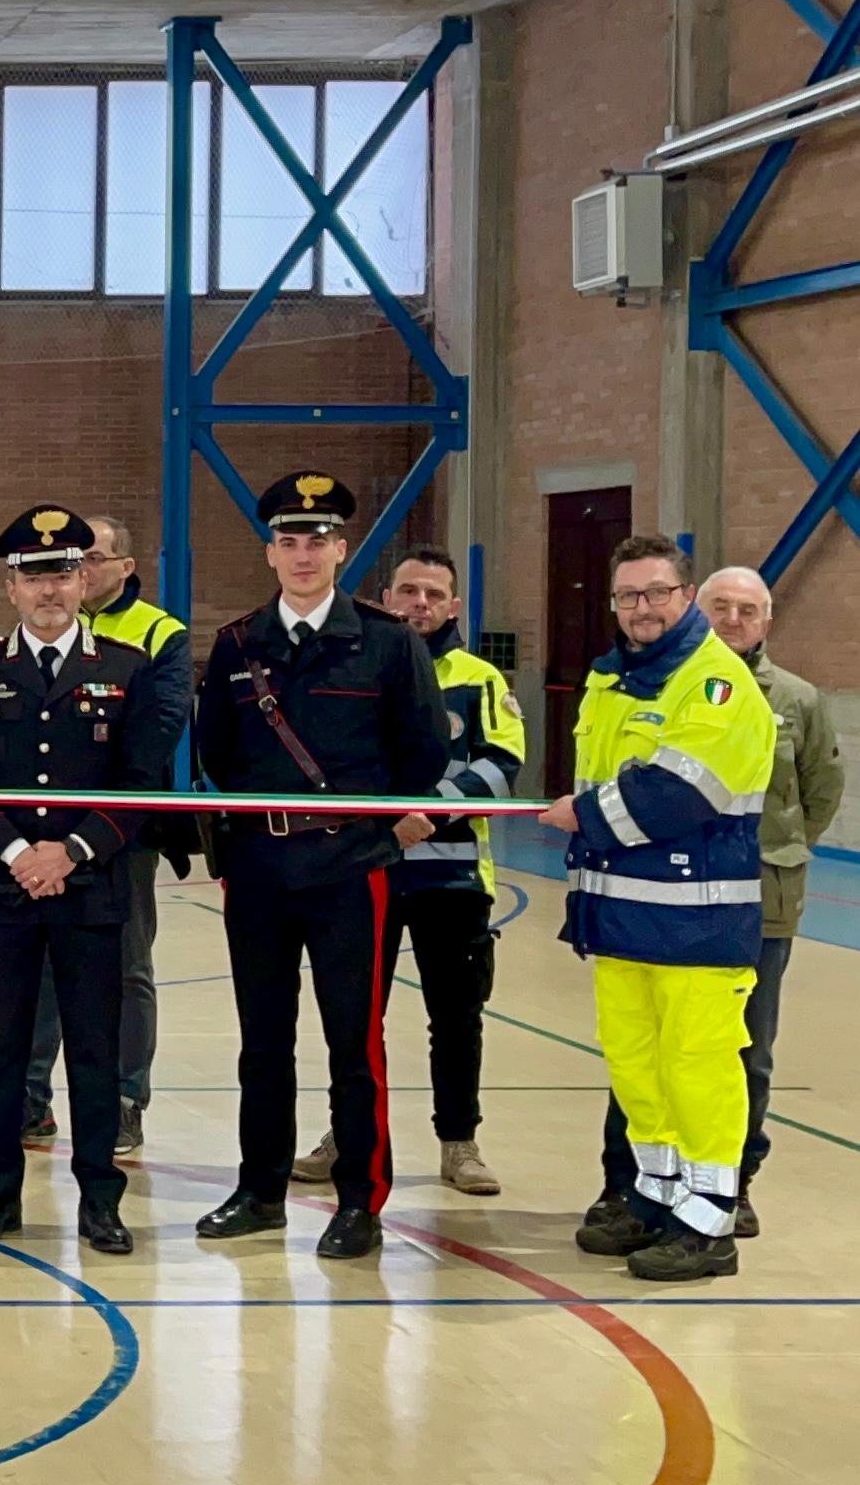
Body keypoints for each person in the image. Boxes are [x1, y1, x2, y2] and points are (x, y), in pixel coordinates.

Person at [191, 474, 444, 1262]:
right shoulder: (237, 644)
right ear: (270, 552)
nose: (303, 555)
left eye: (318, 540)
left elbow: (424, 749)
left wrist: (375, 830)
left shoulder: (388, 641)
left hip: (347, 870)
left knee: (352, 1041)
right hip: (261, 868)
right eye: (288, 541)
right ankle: (261, 1189)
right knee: (262, 1039)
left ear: (341, 549)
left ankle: (360, 1200)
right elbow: (217, 753)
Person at [541, 537, 776, 1282]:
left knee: (698, 1069)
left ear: (686, 594)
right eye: (628, 596)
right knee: (638, 1068)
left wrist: (585, 814)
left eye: (657, 592)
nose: (643, 608)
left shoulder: (716, 684)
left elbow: (682, 791)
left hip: (696, 924)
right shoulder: (610, 682)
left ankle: (709, 1222)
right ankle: (658, 1194)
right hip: (621, 920)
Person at [0, 509, 169, 1257]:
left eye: (64, 573)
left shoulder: (124, 667)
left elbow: (139, 785)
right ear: (11, 586)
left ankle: (101, 1199)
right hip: (3, 892)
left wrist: (68, 851)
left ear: (85, 581)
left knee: (95, 1053)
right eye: (34, 575)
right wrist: (16, 855)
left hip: (92, 888)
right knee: (3, 1049)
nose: (50, 589)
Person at [289, 547, 518, 1198]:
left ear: (452, 606)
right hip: (364, 870)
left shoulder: (480, 679)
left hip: (451, 880)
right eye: (409, 591)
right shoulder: (354, 666)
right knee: (355, 1015)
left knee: (456, 1014)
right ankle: (347, 1135)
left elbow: (503, 762)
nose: (420, 603)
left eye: (434, 594)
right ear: (386, 596)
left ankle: (460, 1141)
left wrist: (429, 815)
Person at [20, 514, 191, 1152]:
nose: (79, 571)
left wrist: (92, 830)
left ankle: (124, 1099)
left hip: (124, 832)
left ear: (125, 567)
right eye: (72, 560)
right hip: (42, 835)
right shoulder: (48, 624)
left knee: (126, 968)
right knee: (37, 966)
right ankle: (31, 1098)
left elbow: (154, 737)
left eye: (93, 558)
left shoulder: (158, 634)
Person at [674, 568, 837, 1236]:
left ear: (766, 622)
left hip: (761, 903)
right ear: (698, 612)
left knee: (750, 1049)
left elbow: (821, 791)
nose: (733, 619)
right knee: (669, 1041)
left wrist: (777, 851)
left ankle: (734, 1180)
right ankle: (652, 1176)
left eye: (748, 610)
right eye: (720, 607)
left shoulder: (797, 698)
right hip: (676, 897)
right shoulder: (667, 686)